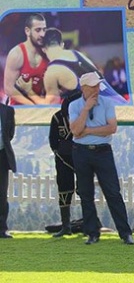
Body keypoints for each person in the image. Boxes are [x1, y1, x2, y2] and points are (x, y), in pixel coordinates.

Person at [68, 72, 134, 246]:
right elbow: (75, 130)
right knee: (86, 193)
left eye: (98, 85)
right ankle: (92, 233)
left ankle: (125, 233)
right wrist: (86, 109)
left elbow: (112, 128)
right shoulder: (74, 106)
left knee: (113, 192)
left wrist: (88, 131)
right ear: (83, 88)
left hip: (103, 152)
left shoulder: (107, 103)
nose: (97, 89)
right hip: (81, 152)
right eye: (93, 86)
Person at [41, 28, 128, 105]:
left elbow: (50, 108)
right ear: (62, 44)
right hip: (124, 105)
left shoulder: (51, 72)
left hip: (110, 116)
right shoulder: (78, 54)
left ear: (43, 49)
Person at [49, 94, 80, 237]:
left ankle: (91, 223)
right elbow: (53, 140)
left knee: (84, 190)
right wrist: (59, 152)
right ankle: (66, 226)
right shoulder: (57, 118)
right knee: (64, 189)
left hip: (81, 158)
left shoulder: (83, 114)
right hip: (63, 159)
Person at [3, 13, 51, 106]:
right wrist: (31, 105)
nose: (42, 34)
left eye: (44, 30)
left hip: (41, 105)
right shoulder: (16, 54)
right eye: (38, 30)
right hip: (19, 108)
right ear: (27, 31)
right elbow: (8, 88)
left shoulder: (48, 53)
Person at [0, 103, 16, 239]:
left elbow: (9, 134)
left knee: (2, 194)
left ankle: (2, 229)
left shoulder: (8, 111)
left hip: (2, 156)